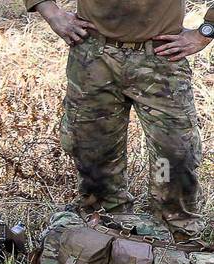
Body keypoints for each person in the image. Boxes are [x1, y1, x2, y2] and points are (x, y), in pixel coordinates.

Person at [29, 0, 211, 241]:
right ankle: (104, 233)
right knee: (93, 150)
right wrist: (50, 12)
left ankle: (176, 236)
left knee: (173, 154)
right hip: (93, 54)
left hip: (161, 57)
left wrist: (205, 31)